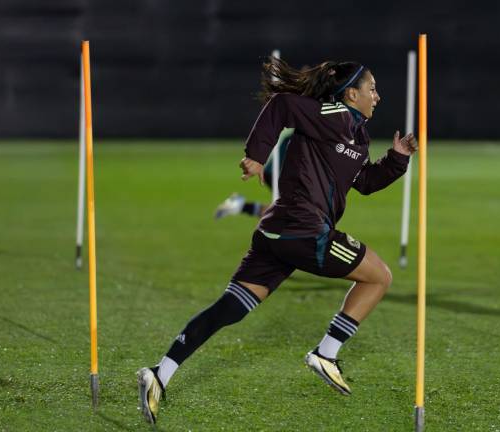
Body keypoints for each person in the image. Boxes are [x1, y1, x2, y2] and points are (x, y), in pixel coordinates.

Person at [136, 58, 418, 424]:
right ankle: (326, 354)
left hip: (279, 231)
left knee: (231, 308)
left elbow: (362, 182)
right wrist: (256, 156)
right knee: (379, 276)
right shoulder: (331, 113)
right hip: (304, 228)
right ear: (351, 93)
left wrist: (396, 160)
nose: (378, 96)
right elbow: (283, 105)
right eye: (372, 89)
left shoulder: (357, 134)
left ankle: (159, 373)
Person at [213, 129, 293, 219]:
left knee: (288, 211)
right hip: (278, 172)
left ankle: (240, 206)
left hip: (275, 171)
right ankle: (240, 206)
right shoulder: (301, 128)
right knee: (292, 212)